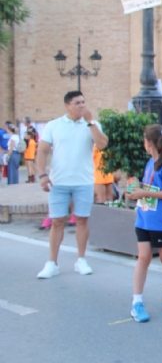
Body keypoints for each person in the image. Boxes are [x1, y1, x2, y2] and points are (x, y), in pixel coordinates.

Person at [36, 91, 108, 279]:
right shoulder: (54, 126)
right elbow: (42, 151)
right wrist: (43, 174)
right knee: (57, 221)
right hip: (58, 182)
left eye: (83, 102)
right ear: (67, 106)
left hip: (83, 182)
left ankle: (81, 260)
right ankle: (52, 262)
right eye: (77, 103)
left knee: (82, 221)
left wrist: (91, 123)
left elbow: (102, 145)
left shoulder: (92, 124)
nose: (82, 106)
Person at [127, 125, 162, 322]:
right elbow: (148, 188)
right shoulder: (150, 162)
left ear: (149, 143)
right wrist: (136, 192)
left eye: (144, 140)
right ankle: (137, 302)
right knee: (143, 258)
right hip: (144, 218)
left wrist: (145, 193)